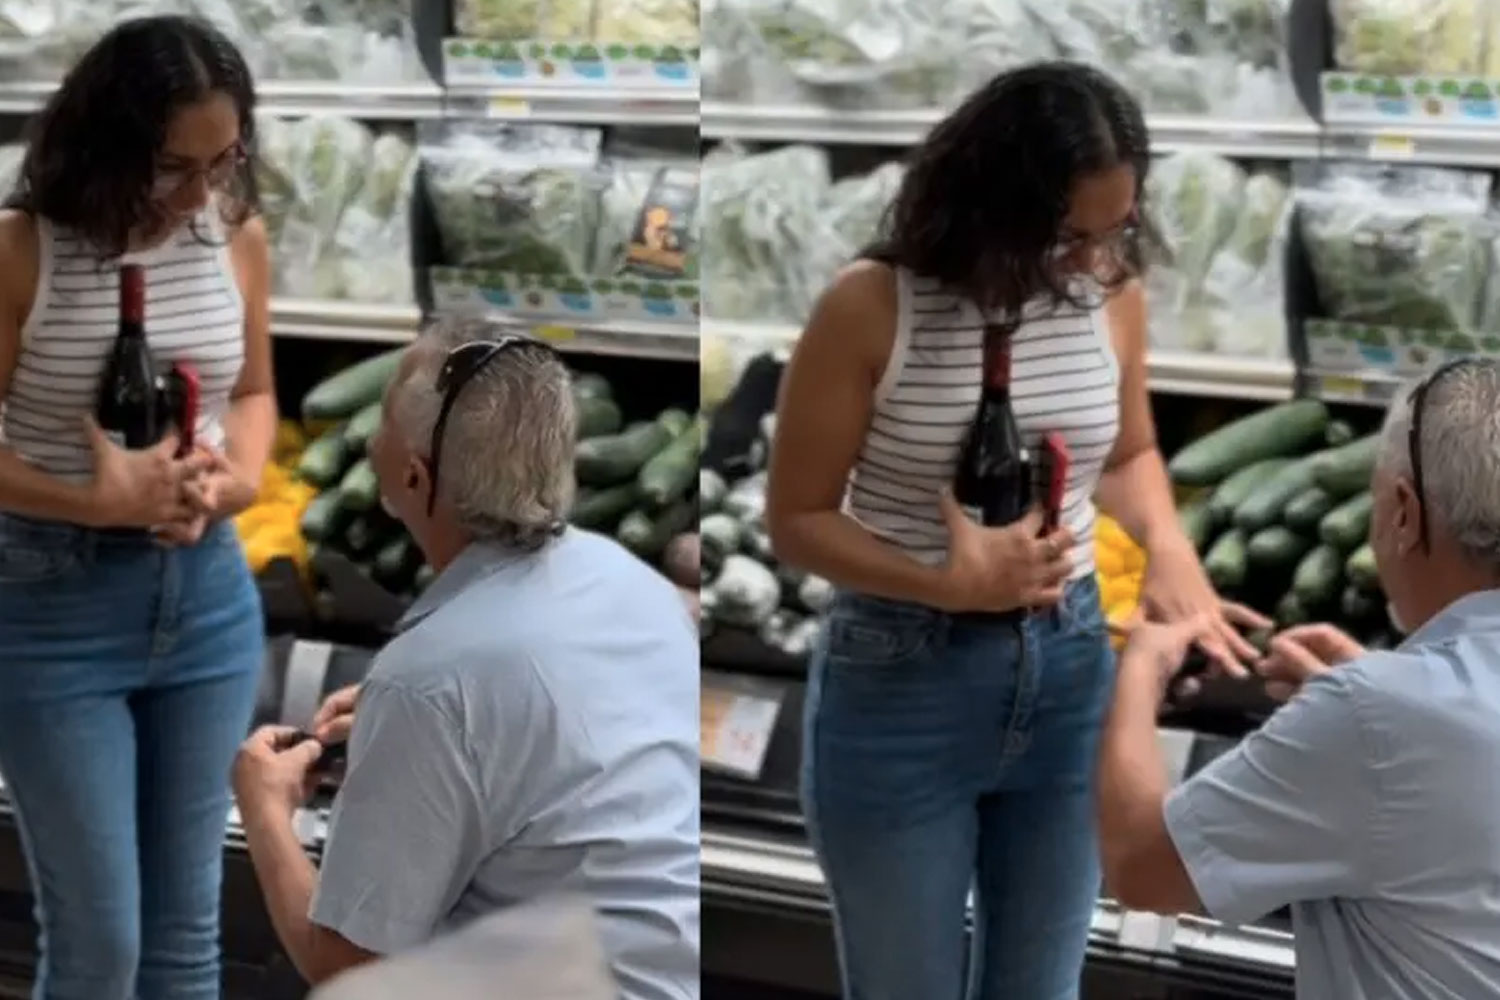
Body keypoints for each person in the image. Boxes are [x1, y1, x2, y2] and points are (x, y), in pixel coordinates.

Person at [764, 60, 1264, 1000]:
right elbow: (796, 520)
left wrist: (1169, 551)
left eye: (1115, 230)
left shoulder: (1112, 290)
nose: (1092, 260)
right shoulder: (872, 308)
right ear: (994, 206)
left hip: (1070, 666)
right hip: (901, 682)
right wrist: (948, 585)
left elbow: (1129, 455)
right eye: (1068, 236)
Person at [230, 317, 701, 998]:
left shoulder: (431, 681)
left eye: (384, 416)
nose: (369, 438)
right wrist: (442, 736)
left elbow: (348, 967)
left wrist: (265, 810)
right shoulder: (629, 579)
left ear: (415, 477)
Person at [0, 16, 274, 1000]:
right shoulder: (24, 249)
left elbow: (252, 397)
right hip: (49, 611)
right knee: (101, 948)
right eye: (170, 167)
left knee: (183, 946)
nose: (199, 192)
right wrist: (87, 495)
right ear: (108, 147)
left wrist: (225, 485)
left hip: (206, 601)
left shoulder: (234, 233)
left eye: (223, 160)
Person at [1097, 357, 1500, 997]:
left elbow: (1143, 869)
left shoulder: (1377, 716)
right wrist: (1376, 688)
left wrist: (1135, 673)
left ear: (1403, 512)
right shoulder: (1390, 708)